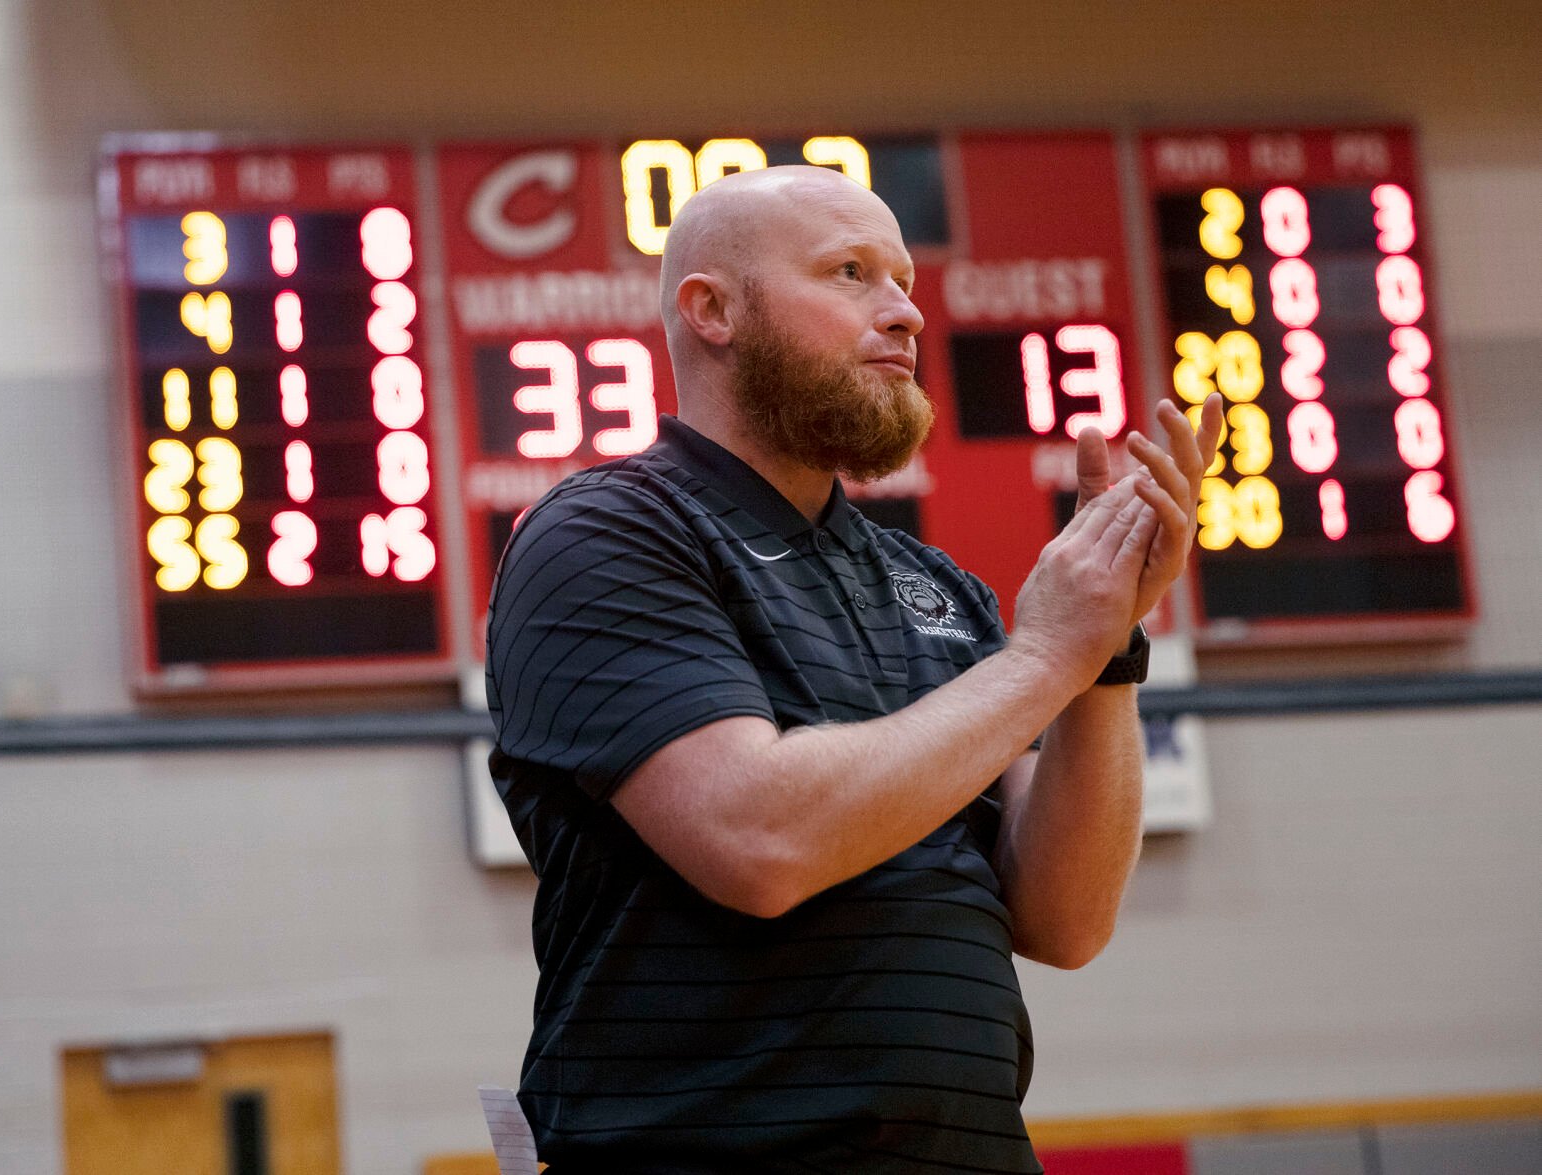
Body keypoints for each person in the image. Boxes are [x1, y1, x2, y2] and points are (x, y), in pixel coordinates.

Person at [485, 164, 1224, 1174]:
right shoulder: (606, 530)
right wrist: (1050, 649)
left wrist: (1107, 649)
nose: (904, 313)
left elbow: (1062, 916)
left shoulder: (934, 583)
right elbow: (758, 840)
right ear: (712, 310)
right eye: (850, 272)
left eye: (905, 282)